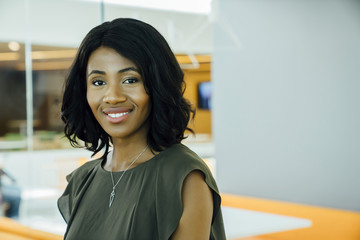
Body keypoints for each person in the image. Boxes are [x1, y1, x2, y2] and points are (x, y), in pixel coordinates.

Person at [58, 18, 226, 240]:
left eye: (130, 79)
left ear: (157, 85)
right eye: (98, 82)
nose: (113, 96)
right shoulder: (83, 180)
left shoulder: (183, 176)